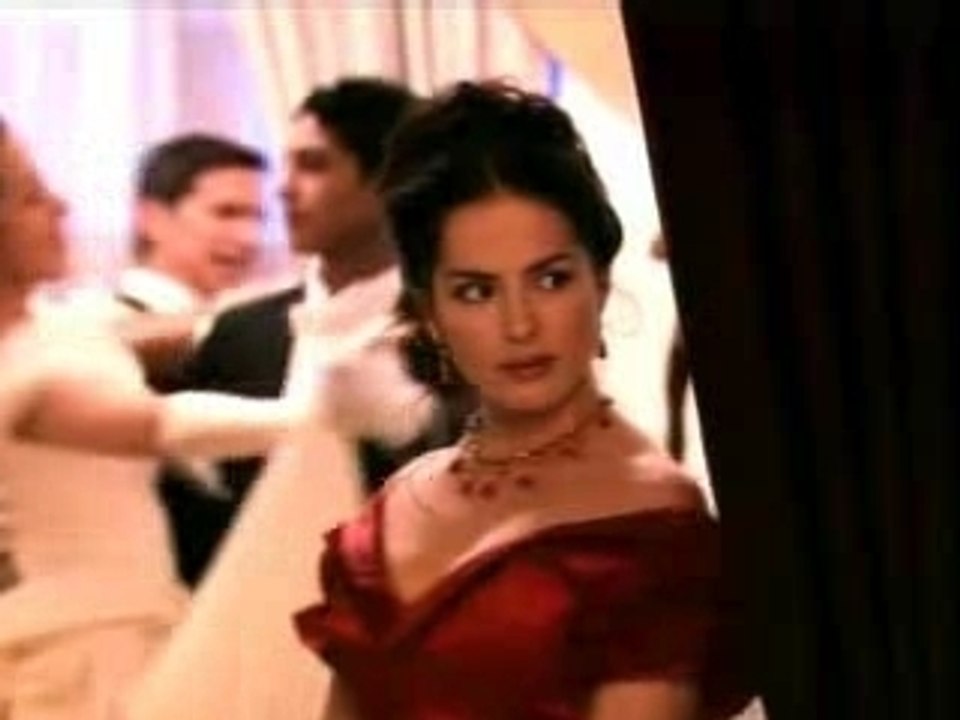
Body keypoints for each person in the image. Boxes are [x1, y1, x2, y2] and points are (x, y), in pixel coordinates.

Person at [293, 81, 753, 719]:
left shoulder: (652, 519)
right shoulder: (392, 509)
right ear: (431, 313)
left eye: (550, 279)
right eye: (476, 291)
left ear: (599, 282)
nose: (520, 325)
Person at [0, 118, 302, 720]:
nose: (62, 207)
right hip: (78, 648)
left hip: (143, 619)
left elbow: (159, 339)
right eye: (33, 197)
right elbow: (164, 423)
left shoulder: (57, 330)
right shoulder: (30, 371)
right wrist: (314, 413)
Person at [177, 76, 463, 586]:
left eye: (312, 165)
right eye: (285, 165)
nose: (283, 188)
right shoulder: (240, 333)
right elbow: (200, 515)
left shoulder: (463, 335)